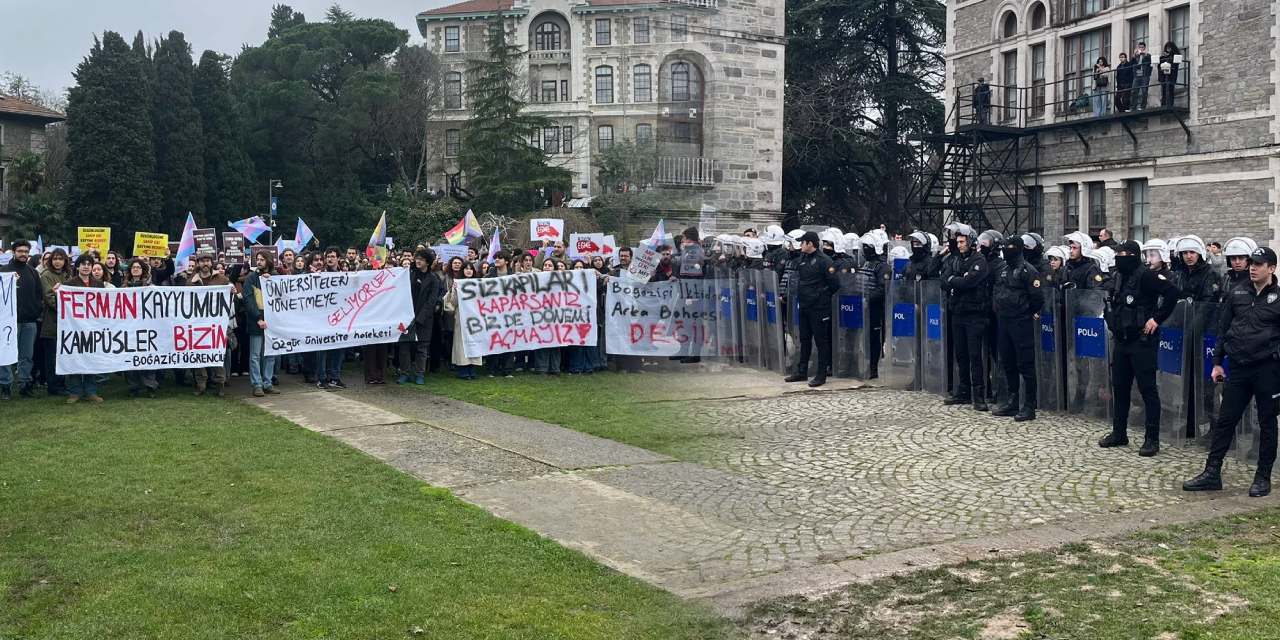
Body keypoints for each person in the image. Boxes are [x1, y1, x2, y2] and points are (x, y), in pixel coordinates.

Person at [1183, 247, 1280, 497]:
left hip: (1267, 369)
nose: (1253, 268)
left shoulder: (1278, 298)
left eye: (1259, 264)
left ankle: (1262, 476)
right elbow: (1223, 329)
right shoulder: (1237, 292)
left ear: (1271, 268)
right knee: (1226, 421)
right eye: (1252, 263)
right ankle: (1212, 473)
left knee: (1267, 423)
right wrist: (1217, 362)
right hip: (1238, 368)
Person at [1098, 241, 1180, 455]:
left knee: (1148, 390)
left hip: (1142, 341)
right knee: (1120, 388)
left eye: (1125, 254)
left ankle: (1152, 439)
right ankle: (1119, 433)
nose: (1120, 258)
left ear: (1134, 256)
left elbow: (1172, 293)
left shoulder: (1146, 276)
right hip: (1122, 340)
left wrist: (1157, 319)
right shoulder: (1118, 277)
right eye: (1119, 254)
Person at [991, 236, 1044, 421]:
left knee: (1026, 364)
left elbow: (1037, 297)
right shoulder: (1003, 269)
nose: (1006, 250)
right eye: (1005, 247)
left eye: (1010, 247)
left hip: (1021, 321)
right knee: (1008, 362)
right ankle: (1012, 402)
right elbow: (997, 291)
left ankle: (1029, 406)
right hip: (1004, 321)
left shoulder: (1028, 270)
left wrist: (1028, 311)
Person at [942, 225, 990, 411]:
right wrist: (956, 280)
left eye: (963, 242)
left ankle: (979, 395)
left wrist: (955, 280)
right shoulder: (955, 259)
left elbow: (970, 281)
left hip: (975, 314)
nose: (959, 245)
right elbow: (944, 281)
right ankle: (963, 390)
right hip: (958, 312)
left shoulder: (979, 260)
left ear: (970, 242)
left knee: (974, 355)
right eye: (958, 242)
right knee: (960, 354)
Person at [782, 231, 839, 387]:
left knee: (821, 341)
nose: (800, 245)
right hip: (805, 306)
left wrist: (819, 296)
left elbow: (834, 284)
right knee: (804, 339)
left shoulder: (824, 261)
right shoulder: (802, 259)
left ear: (810, 244)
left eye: (803, 242)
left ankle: (821, 375)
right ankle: (802, 371)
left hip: (819, 308)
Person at [0, 240, 43, 400]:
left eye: (26, 251)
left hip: (29, 321)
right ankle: (5, 386)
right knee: (5, 355)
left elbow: (39, 294)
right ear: (13, 252)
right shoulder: (4, 272)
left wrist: (36, 310)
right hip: (8, 323)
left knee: (26, 355)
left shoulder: (32, 272)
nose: (23, 254)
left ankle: (25, 384)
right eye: (20, 251)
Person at [187, 253, 232, 397]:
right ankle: (201, 384)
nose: (205, 263)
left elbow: (229, 300)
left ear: (211, 263)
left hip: (216, 324)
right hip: (197, 324)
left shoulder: (222, 280)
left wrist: (231, 292)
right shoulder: (191, 282)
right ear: (198, 263)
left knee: (217, 354)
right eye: (202, 261)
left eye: (207, 261)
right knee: (199, 354)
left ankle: (220, 384)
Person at [64, 254, 105, 404]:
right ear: (78, 266)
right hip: (74, 327)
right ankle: (75, 392)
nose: (86, 266)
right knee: (75, 358)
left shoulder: (99, 284)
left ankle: (91, 391)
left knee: (91, 359)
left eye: (89, 264)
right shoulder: (69, 283)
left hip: (93, 327)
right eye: (83, 264)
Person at [398, 249, 443, 385]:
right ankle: (404, 373)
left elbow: (431, 301)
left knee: (422, 347)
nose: (418, 261)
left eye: (421, 259)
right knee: (404, 346)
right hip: (407, 317)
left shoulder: (434, 279)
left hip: (424, 319)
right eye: (417, 258)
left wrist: (420, 318)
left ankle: (419, 374)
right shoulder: (409, 275)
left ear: (428, 262)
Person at [120, 258, 160, 397]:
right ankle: (134, 387)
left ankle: (150, 386)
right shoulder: (123, 288)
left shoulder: (150, 286)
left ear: (143, 270)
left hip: (147, 327)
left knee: (147, 358)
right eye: (133, 267)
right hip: (130, 328)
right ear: (130, 270)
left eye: (138, 267)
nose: (135, 269)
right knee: (130, 358)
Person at [242, 251, 280, 397]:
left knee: (270, 354)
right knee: (255, 355)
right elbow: (248, 299)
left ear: (268, 261)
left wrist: (272, 280)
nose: (258, 262)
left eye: (262, 259)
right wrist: (258, 318)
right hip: (256, 321)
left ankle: (267, 383)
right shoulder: (251, 278)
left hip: (272, 322)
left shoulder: (276, 277)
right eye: (257, 259)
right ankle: (257, 384)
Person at [856, 230, 891, 379]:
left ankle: (873, 368)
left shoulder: (882, 267)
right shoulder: (866, 263)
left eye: (867, 247)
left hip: (875, 308)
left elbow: (883, 289)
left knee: (873, 338)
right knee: (862, 337)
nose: (865, 249)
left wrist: (867, 298)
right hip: (861, 306)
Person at [38, 248, 72, 397]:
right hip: (52, 322)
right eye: (55, 259)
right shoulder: (46, 275)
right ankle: (53, 386)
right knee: (52, 357)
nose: (57, 261)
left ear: (65, 261)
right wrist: (67, 310)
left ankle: (62, 383)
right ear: (51, 261)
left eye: (61, 259)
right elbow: (49, 297)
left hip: (68, 324)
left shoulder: (68, 275)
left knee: (64, 355)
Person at [316, 247, 347, 389]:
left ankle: (335, 377)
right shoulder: (319, 275)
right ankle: (321, 378)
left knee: (339, 348)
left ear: (338, 259)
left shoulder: (345, 275)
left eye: (333, 256)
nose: (330, 259)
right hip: (322, 319)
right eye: (328, 256)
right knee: (322, 350)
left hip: (339, 318)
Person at [1158, 41, 1180, 107]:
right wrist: (1163, 58)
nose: (1168, 50)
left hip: (1171, 76)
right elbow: (1159, 66)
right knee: (1164, 91)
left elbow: (1175, 64)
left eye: (1169, 48)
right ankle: (1163, 104)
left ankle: (1170, 104)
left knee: (1170, 90)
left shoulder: (1175, 56)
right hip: (1163, 76)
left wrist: (1169, 59)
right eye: (1167, 48)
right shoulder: (1162, 57)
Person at [1133, 42, 1152, 110]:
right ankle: (1133, 107)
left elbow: (1150, 63)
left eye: (1142, 47)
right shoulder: (1136, 56)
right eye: (1140, 47)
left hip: (1145, 74)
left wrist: (1145, 55)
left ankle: (1142, 106)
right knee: (1134, 90)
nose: (1141, 49)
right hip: (1137, 74)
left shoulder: (1148, 55)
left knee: (1144, 91)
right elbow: (1132, 63)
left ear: (1144, 48)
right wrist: (1134, 55)